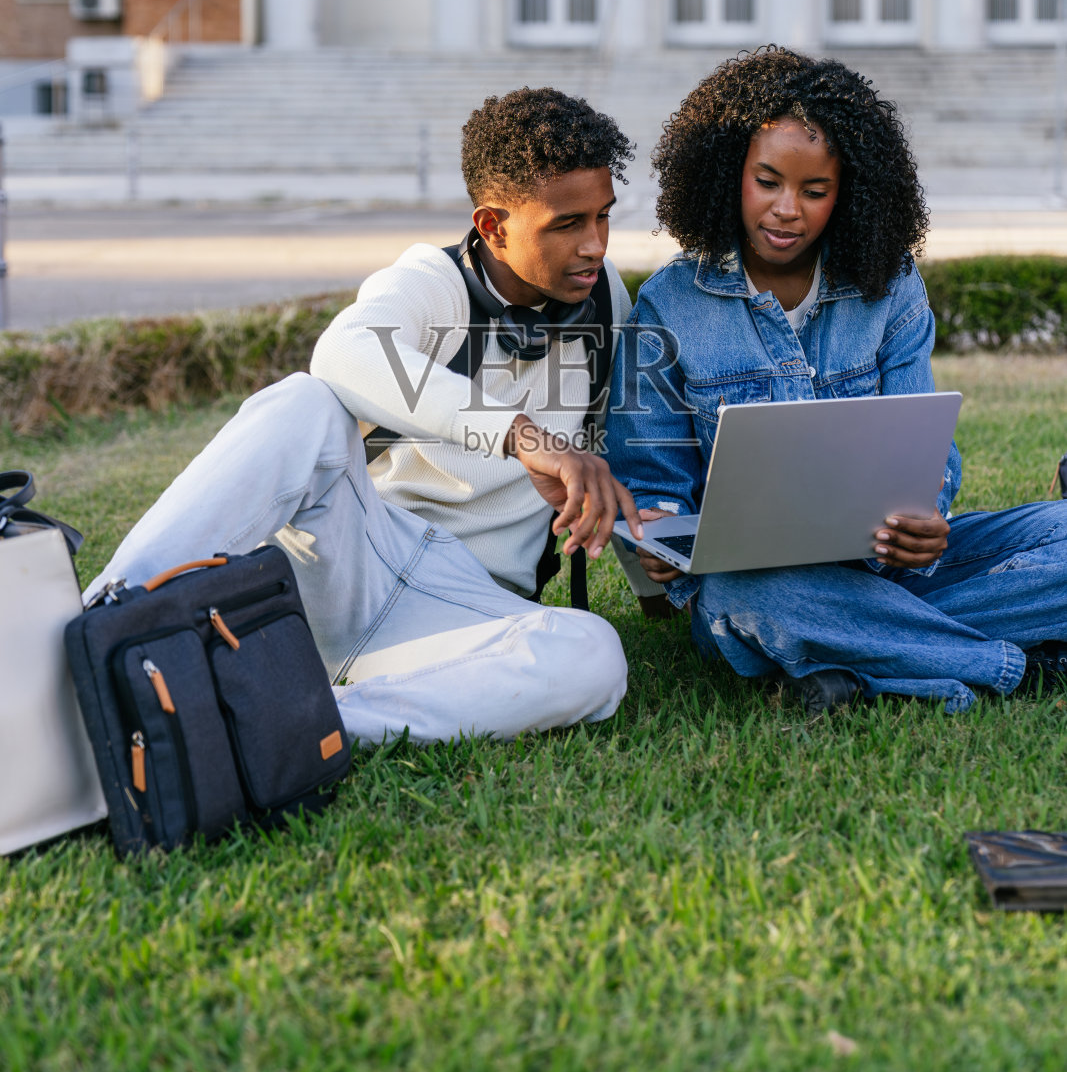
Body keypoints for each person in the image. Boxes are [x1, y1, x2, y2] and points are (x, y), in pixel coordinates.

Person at [87, 87, 645, 744]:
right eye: (567, 224)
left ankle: (286, 724)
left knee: (593, 655)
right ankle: (98, 633)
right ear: (492, 225)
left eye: (603, 218)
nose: (594, 246)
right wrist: (519, 437)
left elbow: (613, 445)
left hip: (465, 611)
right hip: (354, 561)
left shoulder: (604, 297)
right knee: (303, 402)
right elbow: (344, 354)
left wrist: (650, 576)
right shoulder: (430, 281)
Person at [605, 49, 1067, 716]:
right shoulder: (667, 307)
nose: (786, 209)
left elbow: (924, 450)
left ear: (847, 192)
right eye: (766, 181)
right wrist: (656, 534)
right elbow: (653, 486)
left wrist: (927, 516)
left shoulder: (890, 286)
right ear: (725, 173)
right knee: (749, 600)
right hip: (763, 585)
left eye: (813, 191)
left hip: (895, 571)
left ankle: (858, 658)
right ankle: (1018, 668)